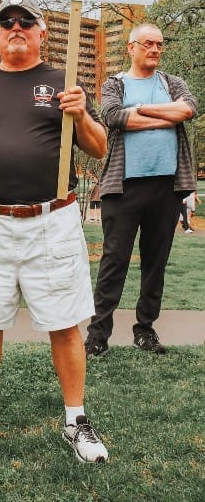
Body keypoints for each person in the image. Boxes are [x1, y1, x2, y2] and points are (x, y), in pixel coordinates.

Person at [0, 0, 109, 464]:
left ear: (41, 34)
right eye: (6, 23)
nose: (16, 27)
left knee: (63, 322)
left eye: (26, 22)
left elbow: (97, 148)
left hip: (52, 220)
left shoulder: (65, 82)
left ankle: (76, 421)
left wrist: (82, 115)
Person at [85, 23, 197, 358]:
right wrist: (166, 116)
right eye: (148, 43)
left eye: (159, 44)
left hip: (167, 186)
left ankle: (144, 330)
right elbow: (114, 116)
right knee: (114, 261)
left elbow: (189, 109)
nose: (154, 49)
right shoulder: (115, 83)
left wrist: (143, 111)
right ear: (131, 47)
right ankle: (97, 335)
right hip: (124, 186)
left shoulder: (172, 83)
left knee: (155, 263)